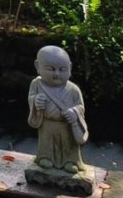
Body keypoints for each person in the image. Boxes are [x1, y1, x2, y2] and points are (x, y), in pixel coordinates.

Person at [27, 45, 88, 174]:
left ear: (70, 68)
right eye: (51, 69)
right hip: (47, 124)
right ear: (38, 67)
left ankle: (70, 161)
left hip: (66, 125)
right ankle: (45, 157)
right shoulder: (36, 84)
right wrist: (35, 101)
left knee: (68, 142)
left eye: (62, 69)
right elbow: (31, 98)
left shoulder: (73, 89)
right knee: (46, 141)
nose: (57, 74)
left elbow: (81, 106)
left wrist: (75, 112)